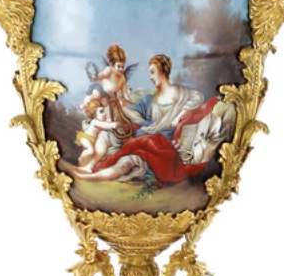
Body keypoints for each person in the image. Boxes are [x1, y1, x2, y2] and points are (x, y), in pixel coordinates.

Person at [65, 55, 214, 184]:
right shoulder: (150, 100)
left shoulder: (180, 93)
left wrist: (180, 115)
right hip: (145, 136)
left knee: (127, 161)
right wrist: (122, 107)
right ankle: (89, 168)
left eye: (153, 72)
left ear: (162, 71)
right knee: (108, 135)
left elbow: (198, 97)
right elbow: (138, 119)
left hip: (161, 145)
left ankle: (88, 178)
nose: (151, 77)